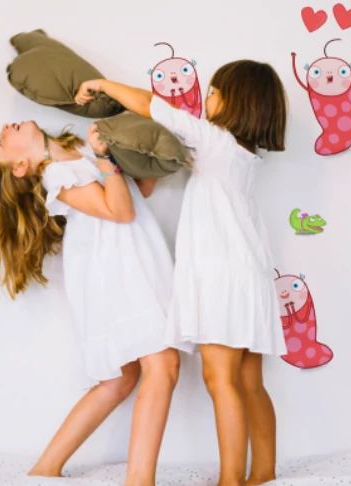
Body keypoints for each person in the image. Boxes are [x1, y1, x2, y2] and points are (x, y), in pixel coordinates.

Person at [75, 59, 288, 486]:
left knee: (219, 378)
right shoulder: (244, 157)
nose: (206, 100)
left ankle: (231, 480)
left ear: (236, 101)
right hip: (251, 275)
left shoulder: (213, 141)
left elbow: (151, 105)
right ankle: (263, 473)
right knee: (250, 382)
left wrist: (102, 84)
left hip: (221, 276)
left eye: (213, 92)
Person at [0, 120, 185, 486]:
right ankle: (139, 481)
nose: (5, 128)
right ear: (20, 166)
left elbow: (137, 192)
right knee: (163, 365)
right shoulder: (56, 174)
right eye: (1, 141)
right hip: (118, 274)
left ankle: (45, 468)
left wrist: (138, 152)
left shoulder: (80, 151)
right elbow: (120, 211)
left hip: (134, 263)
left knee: (120, 379)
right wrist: (105, 158)